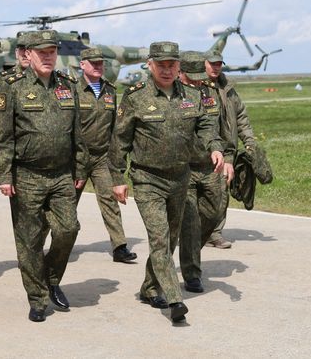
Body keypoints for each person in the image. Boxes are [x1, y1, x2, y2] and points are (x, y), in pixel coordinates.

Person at [108, 41, 224, 324]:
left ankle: (149, 288)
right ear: (150, 65)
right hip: (147, 178)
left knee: (169, 239)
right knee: (160, 238)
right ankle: (174, 299)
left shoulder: (193, 95)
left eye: (172, 64)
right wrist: (117, 178)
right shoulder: (135, 96)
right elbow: (120, 140)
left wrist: (214, 146)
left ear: (179, 66)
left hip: (179, 178)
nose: (167, 69)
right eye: (161, 64)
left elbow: (205, 124)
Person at [0, 30, 88, 322]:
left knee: (69, 229)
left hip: (61, 175)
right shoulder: (13, 86)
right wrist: (4, 174)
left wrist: (81, 167)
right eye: (42, 52)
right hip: (27, 175)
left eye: (52, 51)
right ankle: (37, 298)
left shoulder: (68, 84)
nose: (48, 57)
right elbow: (3, 136)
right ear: (28, 55)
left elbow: (78, 132)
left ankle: (51, 277)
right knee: (29, 240)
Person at [177, 51, 234, 294]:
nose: (198, 82)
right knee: (190, 222)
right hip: (185, 168)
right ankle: (191, 273)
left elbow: (223, 127)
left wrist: (228, 156)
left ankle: (189, 250)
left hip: (211, 165)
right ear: (181, 74)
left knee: (214, 212)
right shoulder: (173, 96)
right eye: (193, 79)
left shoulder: (209, 93)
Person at [74, 47, 137, 263]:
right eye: (93, 63)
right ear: (82, 65)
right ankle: (53, 243)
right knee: (66, 204)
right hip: (76, 158)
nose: (98, 66)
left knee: (110, 200)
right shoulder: (72, 89)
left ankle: (119, 246)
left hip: (102, 157)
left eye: (101, 63)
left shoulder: (109, 90)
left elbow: (115, 127)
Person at [204, 50, 257, 249]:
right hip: (205, 150)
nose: (216, 67)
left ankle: (214, 233)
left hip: (227, 150)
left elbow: (241, 116)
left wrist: (249, 142)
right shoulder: (197, 87)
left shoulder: (228, 88)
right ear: (204, 64)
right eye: (212, 63)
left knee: (222, 192)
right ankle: (194, 231)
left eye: (219, 64)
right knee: (200, 194)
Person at [0, 30, 32, 126]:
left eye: (29, 50)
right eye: (22, 49)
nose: (25, 54)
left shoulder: (48, 78)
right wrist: (11, 129)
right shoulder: (4, 79)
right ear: (17, 53)